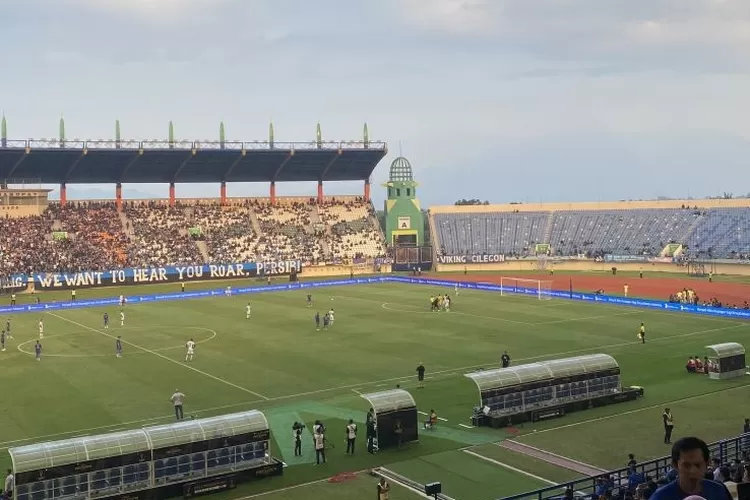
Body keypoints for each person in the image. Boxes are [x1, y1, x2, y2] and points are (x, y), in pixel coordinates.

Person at [649, 437, 732, 500]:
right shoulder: (660, 497)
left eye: (698, 465)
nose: (693, 471)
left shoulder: (718, 490)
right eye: (686, 465)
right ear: (675, 465)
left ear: (707, 464)